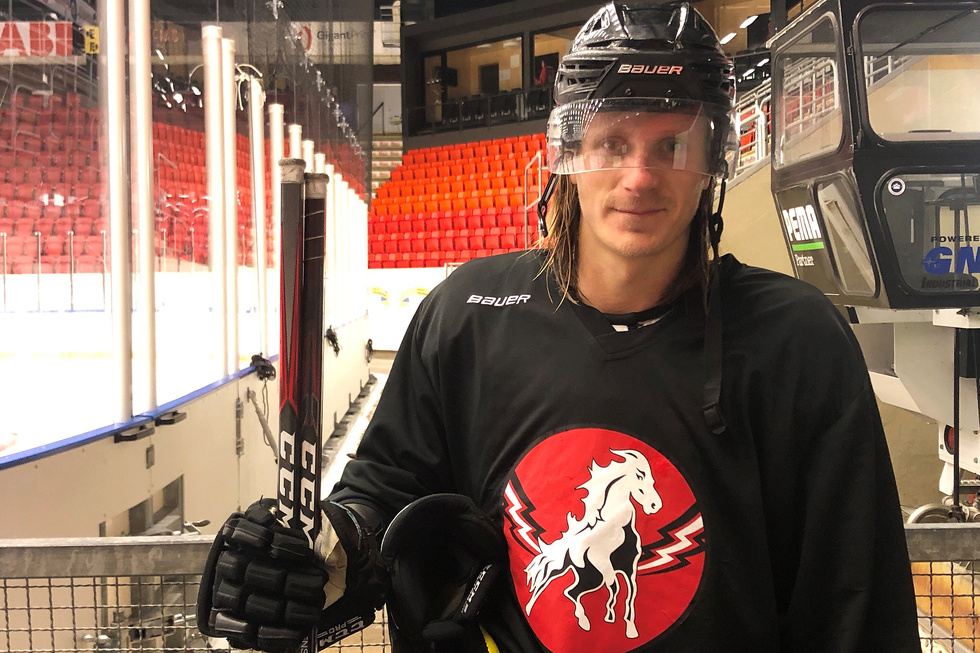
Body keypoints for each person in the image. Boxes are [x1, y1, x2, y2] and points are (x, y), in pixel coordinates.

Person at [198, 2, 922, 652]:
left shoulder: (798, 341)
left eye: (672, 145)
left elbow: (854, 601)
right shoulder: (466, 314)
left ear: (714, 161)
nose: (640, 176)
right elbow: (384, 495)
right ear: (567, 153)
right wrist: (328, 548)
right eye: (612, 143)